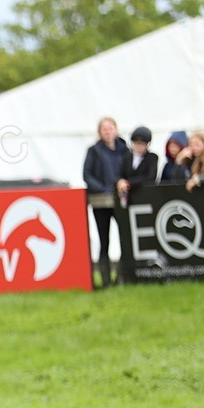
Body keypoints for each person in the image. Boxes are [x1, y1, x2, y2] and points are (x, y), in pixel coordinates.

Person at [82, 117, 127, 289]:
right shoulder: (94, 151)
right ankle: (106, 280)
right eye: (104, 129)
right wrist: (103, 188)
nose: (107, 131)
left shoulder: (124, 150)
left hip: (120, 200)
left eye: (110, 128)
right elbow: (87, 174)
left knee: (125, 239)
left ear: (116, 129)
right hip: (101, 201)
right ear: (99, 132)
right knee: (104, 240)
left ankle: (121, 277)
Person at [115, 126, 159, 205]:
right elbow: (119, 174)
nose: (139, 146)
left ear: (147, 145)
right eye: (136, 143)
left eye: (142, 144)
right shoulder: (126, 157)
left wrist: (129, 183)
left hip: (146, 196)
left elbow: (150, 177)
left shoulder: (152, 158)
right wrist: (120, 181)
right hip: (130, 197)